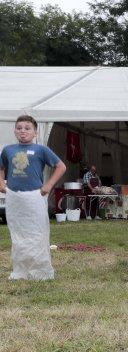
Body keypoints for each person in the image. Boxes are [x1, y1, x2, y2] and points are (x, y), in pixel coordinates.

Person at [0, 115, 66, 280]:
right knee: (18, 233)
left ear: (35, 132)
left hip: (35, 196)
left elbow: (61, 166)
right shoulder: (8, 150)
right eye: (19, 128)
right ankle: (20, 271)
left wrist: (49, 185)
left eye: (27, 128)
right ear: (15, 131)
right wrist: (1, 183)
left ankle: (41, 271)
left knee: (37, 231)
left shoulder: (41, 150)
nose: (23, 131)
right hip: (14, 197)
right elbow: (1, 167)